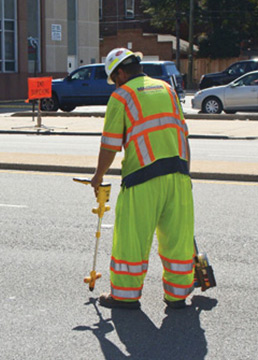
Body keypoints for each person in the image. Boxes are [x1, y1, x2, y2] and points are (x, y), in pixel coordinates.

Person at [91, 48, 194, 310]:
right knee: (177, 239)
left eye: (114, 78)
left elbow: (110, 146)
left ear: (121, 73)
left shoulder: (121, 96)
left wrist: (98, 176)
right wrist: (186, 174)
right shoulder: (167, 89)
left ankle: (125, 296)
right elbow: (183, 133)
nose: (115, 83)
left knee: (131, 239)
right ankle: (178, 295)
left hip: (142, 179)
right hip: (179, 175)